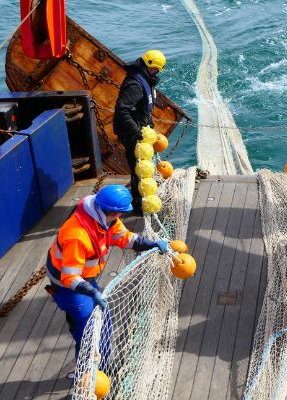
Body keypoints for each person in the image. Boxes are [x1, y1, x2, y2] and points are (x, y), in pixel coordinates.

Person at [45, 184, 169, 358]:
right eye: (121, 213)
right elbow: (69, 277)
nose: (121, 217)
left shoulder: (106, 219)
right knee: (88, 332)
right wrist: (92, 292)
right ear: (113, 212)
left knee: (102, 325)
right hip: (69, 287)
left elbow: (125, 238)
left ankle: (101, 366)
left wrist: (151, 244)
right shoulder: (77, 236)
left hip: (86, 280)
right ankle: (88, 377)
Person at [113, 49, 166, 214]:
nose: (156, 73)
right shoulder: (135, 84)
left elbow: (142, 109)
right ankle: (138, 205)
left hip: (140, 129)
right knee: (139, 169)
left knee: (143, 166)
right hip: (131, 133)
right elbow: (122, 110)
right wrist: (137, 132)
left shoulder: (145, 79)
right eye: (155, 70)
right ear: (150, 67)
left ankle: (141, 199)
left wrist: (149, 126)